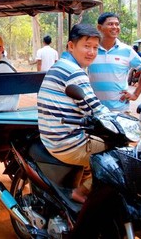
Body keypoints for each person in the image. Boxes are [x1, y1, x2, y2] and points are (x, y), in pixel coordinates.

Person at [38, 24, 111, 203]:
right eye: (87, 46)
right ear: (71, 46)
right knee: (121, 156)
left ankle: (86, 178)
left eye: (95, 48)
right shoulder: (74, 72)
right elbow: (95, 109)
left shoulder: (62, 66)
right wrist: (117, 120)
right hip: (67, 143)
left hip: (54, 138)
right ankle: (83, 192)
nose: (92, 52)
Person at [88, 12, 141, 113]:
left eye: (117, 24)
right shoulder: (91, 50)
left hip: (119, 110)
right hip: (95, 109)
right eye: (110, 24)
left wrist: (135, 94)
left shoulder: (127, 51)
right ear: (99, 27)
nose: (115, 27)